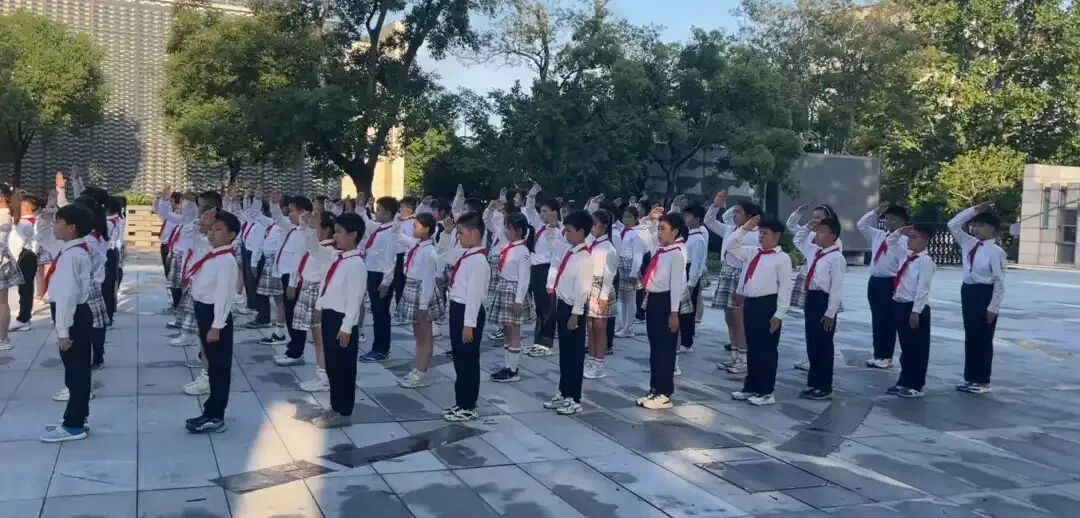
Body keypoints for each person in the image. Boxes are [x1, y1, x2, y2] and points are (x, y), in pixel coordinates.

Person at [38, 203, 95, 442]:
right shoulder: (72, 249)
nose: (54, 226)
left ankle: (74, 424)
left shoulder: (72, 256)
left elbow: (66, 296)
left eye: (58, 222)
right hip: (75, 314)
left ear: (72, 228)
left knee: (76, 372)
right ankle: (77, 417)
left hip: (72, 316)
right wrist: (47, 213)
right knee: (77, 371)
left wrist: (63, 331)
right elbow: (43, 236)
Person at [725, 216, 792, 406]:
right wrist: (744, 229)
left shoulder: (782, 258)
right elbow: (731, 246)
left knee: (767, 350)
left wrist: (779, 314)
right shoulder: (753, 252)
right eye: (760, 233)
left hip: (768, 305)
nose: (761, 236)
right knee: (753, 347)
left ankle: (766, 391)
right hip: (751, 303)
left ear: (776, 236)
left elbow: (785, 288)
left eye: (765, 233)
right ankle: (751, 386)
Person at [184, 209, 240, 433]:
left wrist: (217, 325)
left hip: (216, 316)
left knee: (219, 367)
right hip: (203, 310)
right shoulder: (211, 252)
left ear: (231, 235)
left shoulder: (226, 260)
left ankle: (216, 415)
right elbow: (190, 235)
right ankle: (209, 411)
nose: (211, 233)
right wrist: (201, 221)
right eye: (210, 229)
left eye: (217, 230)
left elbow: (224, 296)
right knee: (212, 363)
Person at [311, 212, 368, 428]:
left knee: (344, 367)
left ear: (353, 235)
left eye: (339, 232)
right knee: (333, 365)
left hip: (343, 321)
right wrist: (309, 229)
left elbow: (355, 299)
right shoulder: (336, 256)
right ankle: (335, 407)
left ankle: (343, 411)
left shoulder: (356, 264)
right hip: (330, 316)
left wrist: (347, 327)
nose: (335, 236)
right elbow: (314, 250)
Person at [948, 202, 1006, 395]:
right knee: (971, 336)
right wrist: (974, 210)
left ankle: (982, 380)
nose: (976, 228)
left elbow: (999, 282)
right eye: (975, 225)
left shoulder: (996, 252)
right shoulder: (969, 243)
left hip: (984, 293)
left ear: (993, 230)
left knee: (983, 338)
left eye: (982, 225)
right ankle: (970, 377)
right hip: (968, 291)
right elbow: (953, 224)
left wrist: (993, 307)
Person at [541, 210, 593, 416]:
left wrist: (576, 313)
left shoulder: (584, 258)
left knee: (574, 355)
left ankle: (574, 398)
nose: (566, 234)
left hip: (574, 309)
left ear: (581, 232)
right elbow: (553, 244)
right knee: (565, 353)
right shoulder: (570, 252)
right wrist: (552, 228)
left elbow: (583, 289)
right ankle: (563, 392)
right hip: (563, 305)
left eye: (569, 230)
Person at [705, 192, 763, 374]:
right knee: (729, 317)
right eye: (735, 212)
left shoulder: (755, 235)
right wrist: (716, 204)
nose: (734, 215)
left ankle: (744, 359)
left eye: (739, 212)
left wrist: (742, 287)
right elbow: (709, 221)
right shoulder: (731, 229)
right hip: (726, 273)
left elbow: (750, 262)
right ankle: (734, 355)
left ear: (749, 217)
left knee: (739, 319)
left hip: (740, 276)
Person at [635, 212, 687, 410]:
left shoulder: (676, 254)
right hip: (654, 299)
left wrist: (674, 313)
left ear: (675, 232)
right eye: (659, 228)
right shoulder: (660, 250)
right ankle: (655, 388)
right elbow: (642, 233)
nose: (659, 232)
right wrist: (649, 219)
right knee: (655, 349)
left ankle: (665, 393)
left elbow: (676, 285)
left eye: (663, 229)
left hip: (667, 302)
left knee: (665, 349)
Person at [444, 212, 491, 422]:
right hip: (458, 309)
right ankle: (461, 401)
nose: (459, 237)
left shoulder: (479, 261)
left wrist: (469, 324)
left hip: (468, 313)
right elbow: (446, 256)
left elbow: (475, 295)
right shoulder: (466, 255)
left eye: (461, 233)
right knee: (459, 358)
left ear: (473, 233)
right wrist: (447, 234)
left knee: (468, 361)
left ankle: (468, 405)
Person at [787, 203, 843, 371]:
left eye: (820, 218)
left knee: (824, 337)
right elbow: (796, 236)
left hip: (824, 294)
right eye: (814, 217)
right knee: (811, 332)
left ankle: (822, 376)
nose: (816, 220)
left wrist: (831, 312)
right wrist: (805, 223)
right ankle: (812, 363)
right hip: (811, 291)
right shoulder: (812, 242)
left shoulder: (834, 249)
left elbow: (836, 285)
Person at [795, 217, 845, 400]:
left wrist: (831, 312)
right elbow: (798, 239)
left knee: (824, 344)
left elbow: (836, 288)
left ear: (833, 235)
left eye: (822, 231)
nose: (817, 234)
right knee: (812, 342)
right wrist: (809, 225)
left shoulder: (836, 258)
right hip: (812, 298)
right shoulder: (814, 251)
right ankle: (813, 383)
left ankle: (824, 386)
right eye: (817, 231)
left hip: (824, 300)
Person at [886, 224, 937, 398]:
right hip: (900, 303)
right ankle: (904, 381)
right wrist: (900, 231)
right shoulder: (906, 256)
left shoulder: (925, 261)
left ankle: (916, 385)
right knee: (906, 348)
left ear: (926, 240)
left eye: (914, 237)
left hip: (914, 307)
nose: (910, 240)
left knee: (917, 349)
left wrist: (916, 311)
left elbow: (923, 287)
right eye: (909, 237)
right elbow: (890, 242)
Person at [857, 203, 910, 369]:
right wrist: (874, 212)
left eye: (893, 219)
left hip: (890, 281)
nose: (888, 221)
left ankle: (886, 356)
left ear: (903, 221)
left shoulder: (905, 240)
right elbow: (861, 225)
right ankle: (878, 354)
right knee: (877, 318)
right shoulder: (878, 235)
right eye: (886, 218)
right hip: (875, 280)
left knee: (887, 319)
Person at [396, 213, 444, 388]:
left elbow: (429, 280)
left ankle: (422, 373)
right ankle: (417, 369)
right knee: (418, 335)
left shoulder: (429, 252)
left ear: (427, 229)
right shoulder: (416, 245)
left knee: (425, 336)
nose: (413, 228)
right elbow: (398, 235)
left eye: (416, 226)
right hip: (412, 288)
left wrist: (423, 305)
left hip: (422, 293)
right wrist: (398, 220)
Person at [294, 209, 338, 392]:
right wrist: (305, 226)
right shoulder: (322, 246)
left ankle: (324, 376)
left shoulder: (329, 249)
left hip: (317, 293)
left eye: (316, 220)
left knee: (320, 338)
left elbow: (312, 247)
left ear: (326, 228)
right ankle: (322, 373)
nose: (311, 219)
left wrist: (307, 227)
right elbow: (307, 245)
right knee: (316, 336)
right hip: (309, 289)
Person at [489, 212, 533, 383]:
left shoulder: (523, 251)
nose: (506, 231)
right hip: (504, 288)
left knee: (514, 332)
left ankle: (513, 370)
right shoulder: (509, 246)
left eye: (509, 228)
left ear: (519, 231)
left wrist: (519, 300)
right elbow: (495, 227)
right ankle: (508, 366)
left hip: (513, 291)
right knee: (507, 331)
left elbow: (524, 279)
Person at [269, 195, 314, 366]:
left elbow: (299, 260)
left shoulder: (306, 232)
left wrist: (293, 284)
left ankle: (296, 352)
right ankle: (292, 348)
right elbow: (277, 218)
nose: (289, 214)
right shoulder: (294, 228)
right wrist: (274, 203)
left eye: (293, 211)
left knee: (295, 317)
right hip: (287, 276)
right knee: (290, 315)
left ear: (303, 212)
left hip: (295, 279)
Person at [523, 184, 565, 357]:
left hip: (549, 269)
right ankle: (538, 341)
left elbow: (558, 253)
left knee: (548, 307)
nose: (542, 214)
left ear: (555, 212)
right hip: (536, 268)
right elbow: (529, 209)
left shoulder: (561, 230)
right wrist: (532, 195)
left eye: (545, 211)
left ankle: (546, 342)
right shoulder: (540, 225)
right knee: (540, 306)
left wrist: (552, 279)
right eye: (541, 211)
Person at [358, 197, 399, 363]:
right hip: (373, 272)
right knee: (376, 312)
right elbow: (366, 222)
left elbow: (391, 258)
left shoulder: (392, 232)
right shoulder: (380, 228)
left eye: (380, 210)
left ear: (389, 213)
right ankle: (378, 347)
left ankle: (381, 349)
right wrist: (360, 206)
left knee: (381, 313)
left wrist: (386, 282)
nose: (377, 212)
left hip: (382, 276)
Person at [584, 209, 617, 379]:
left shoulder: (608, 247)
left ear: (604, 225)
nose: (592, 227)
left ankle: (599, 363)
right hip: (590, 285)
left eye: (595, 224)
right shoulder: (593, 243)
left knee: (600, 327)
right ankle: (591, 359)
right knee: (590, 326)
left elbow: (610, 273)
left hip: (601, 286)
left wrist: (603, 295)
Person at [614, 206, 647, 339]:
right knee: (622, 298)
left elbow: (638, 255)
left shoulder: (636, 234)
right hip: (621, 264)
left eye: (629, 217)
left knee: (630, 299)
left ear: (636, 218)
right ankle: (622, 325)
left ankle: (628, 327)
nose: (626, 220)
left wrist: (634, 273)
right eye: (624, 217)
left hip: (630, 265)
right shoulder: (623, 230)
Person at [679, 204, 708, 354]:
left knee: (688, 311)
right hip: (684, 270)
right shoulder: (688, 235)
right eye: (685, 216)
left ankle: (687, 342)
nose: (686, 219)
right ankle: (683, 339)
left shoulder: (698, 238)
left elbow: (696, 262)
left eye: (689, 216)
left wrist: (691, 283)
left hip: (690, 272)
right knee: (682, 309)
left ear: (697, 219)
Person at [11, 193, 41, 332]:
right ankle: (24, 313)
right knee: (25, 288)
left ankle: (23, 319)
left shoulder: (23, 223)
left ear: (26, 208)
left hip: (24, 255)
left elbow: (16, 243)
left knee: (25, 288)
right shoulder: (31, 221)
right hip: (28, 255)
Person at [0, 187, 26, 351]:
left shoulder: (3, 215)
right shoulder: (5, 214)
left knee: (2, 302)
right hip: (3, 260)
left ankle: (3, 338)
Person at [391, 196, 419, 325]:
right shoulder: (400, 220)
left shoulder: (414, 222)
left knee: (402, 285)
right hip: (397, 254)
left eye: (401, 208)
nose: (400, 210)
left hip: (406, 255)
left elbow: (411, 240)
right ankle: (400, 312)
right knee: (398, 285)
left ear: (409, 209)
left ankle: (403, 314)